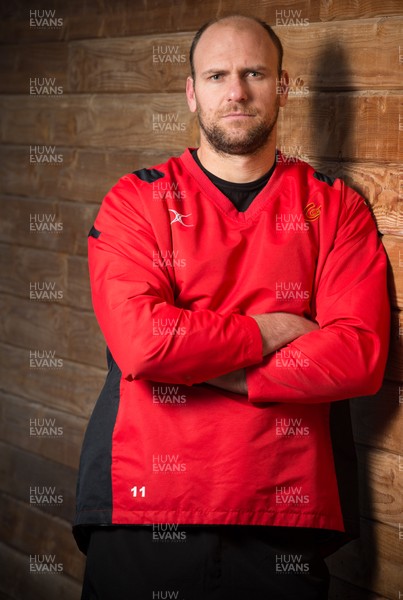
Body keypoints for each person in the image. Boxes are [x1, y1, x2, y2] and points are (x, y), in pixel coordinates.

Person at [73, 14, 390, 600]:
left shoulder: (334, 207)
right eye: (217, 75)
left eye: (254, 73)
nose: (236, 91)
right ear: (191, 93)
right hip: (144, 509)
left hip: (282, 515)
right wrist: (271, 330)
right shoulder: (136, 200)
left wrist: (197, 364)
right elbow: (144, 343)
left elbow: (359, 357)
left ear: (283, 85)